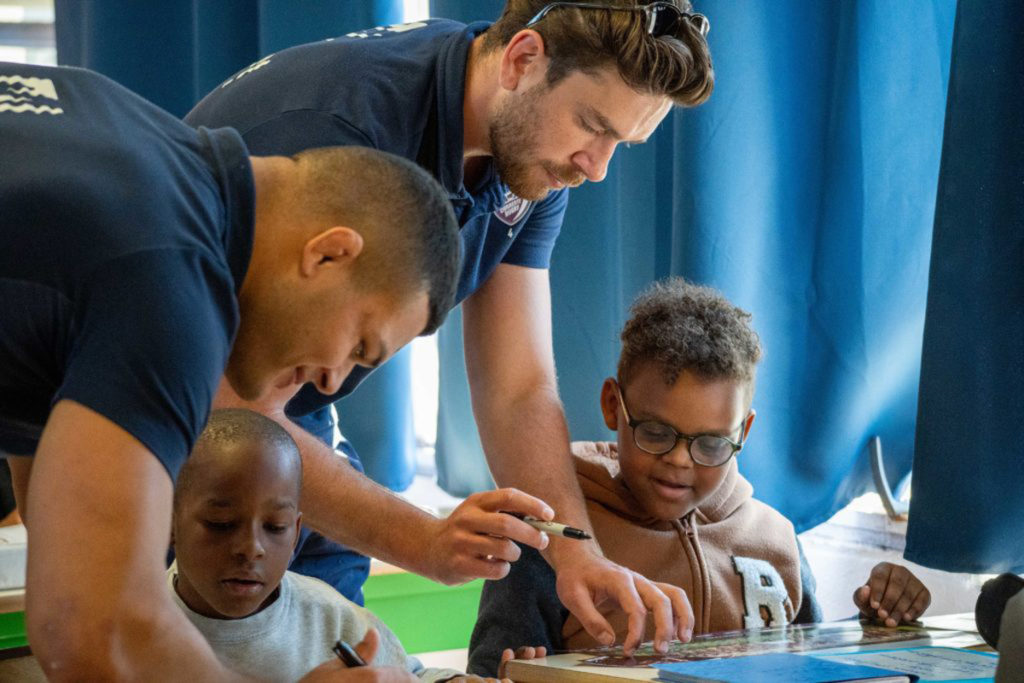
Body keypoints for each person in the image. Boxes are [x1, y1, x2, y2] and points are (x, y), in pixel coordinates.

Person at [186, 0, 715, 654]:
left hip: (288, 420)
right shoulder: (346, 130)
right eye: (591, 126)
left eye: (621, 145)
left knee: (346, 653)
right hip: (178, 408)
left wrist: (575, 559)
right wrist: (424, 541)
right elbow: (234, 406)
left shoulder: (528, 152)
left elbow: (517, 385)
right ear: (523, 59)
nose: (597, 166)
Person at [0, 60, 526, 680]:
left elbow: (63, 557)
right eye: (359, 345)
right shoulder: (172, 288)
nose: (332, 381)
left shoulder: (130, 137)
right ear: (329, 252)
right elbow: (97, 631)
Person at [467, 278, 934, 675]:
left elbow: (808, 667)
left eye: (711, 443)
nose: (680, 461)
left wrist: (877, 622)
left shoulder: (776, 539)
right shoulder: (554, 541)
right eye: (655, 432)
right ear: (613, 405)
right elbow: (490, 670)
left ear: (744, 431)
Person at [170, 408, 545, 682]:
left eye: (276, 526)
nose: (251, 548)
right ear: (167, 522)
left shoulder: (331, 618)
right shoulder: (128, 621)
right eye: (220, 524)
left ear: (298, 531)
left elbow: (412, 676)